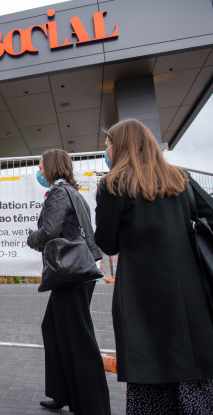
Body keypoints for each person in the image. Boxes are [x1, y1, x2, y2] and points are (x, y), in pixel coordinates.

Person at [94, 118, 213, 414]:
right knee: (194, 376)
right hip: (190, 294)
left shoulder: (114, 185)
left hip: (141, 297)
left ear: (120, 147)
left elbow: (107, 243)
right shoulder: (180, 178)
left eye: (108, 145)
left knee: (150, 379)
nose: (106, 151)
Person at [27, 149, 111, 414]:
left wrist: (32, 238)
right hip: (77, 272)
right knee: (52, 328)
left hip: (71, 274)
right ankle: (62, 392)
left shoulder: (59, 193)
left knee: (77, 337)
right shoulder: (73, 192)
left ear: (51, 167)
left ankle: (91, 405)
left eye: (41, 166)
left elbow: (49, 231)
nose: (39, 171)